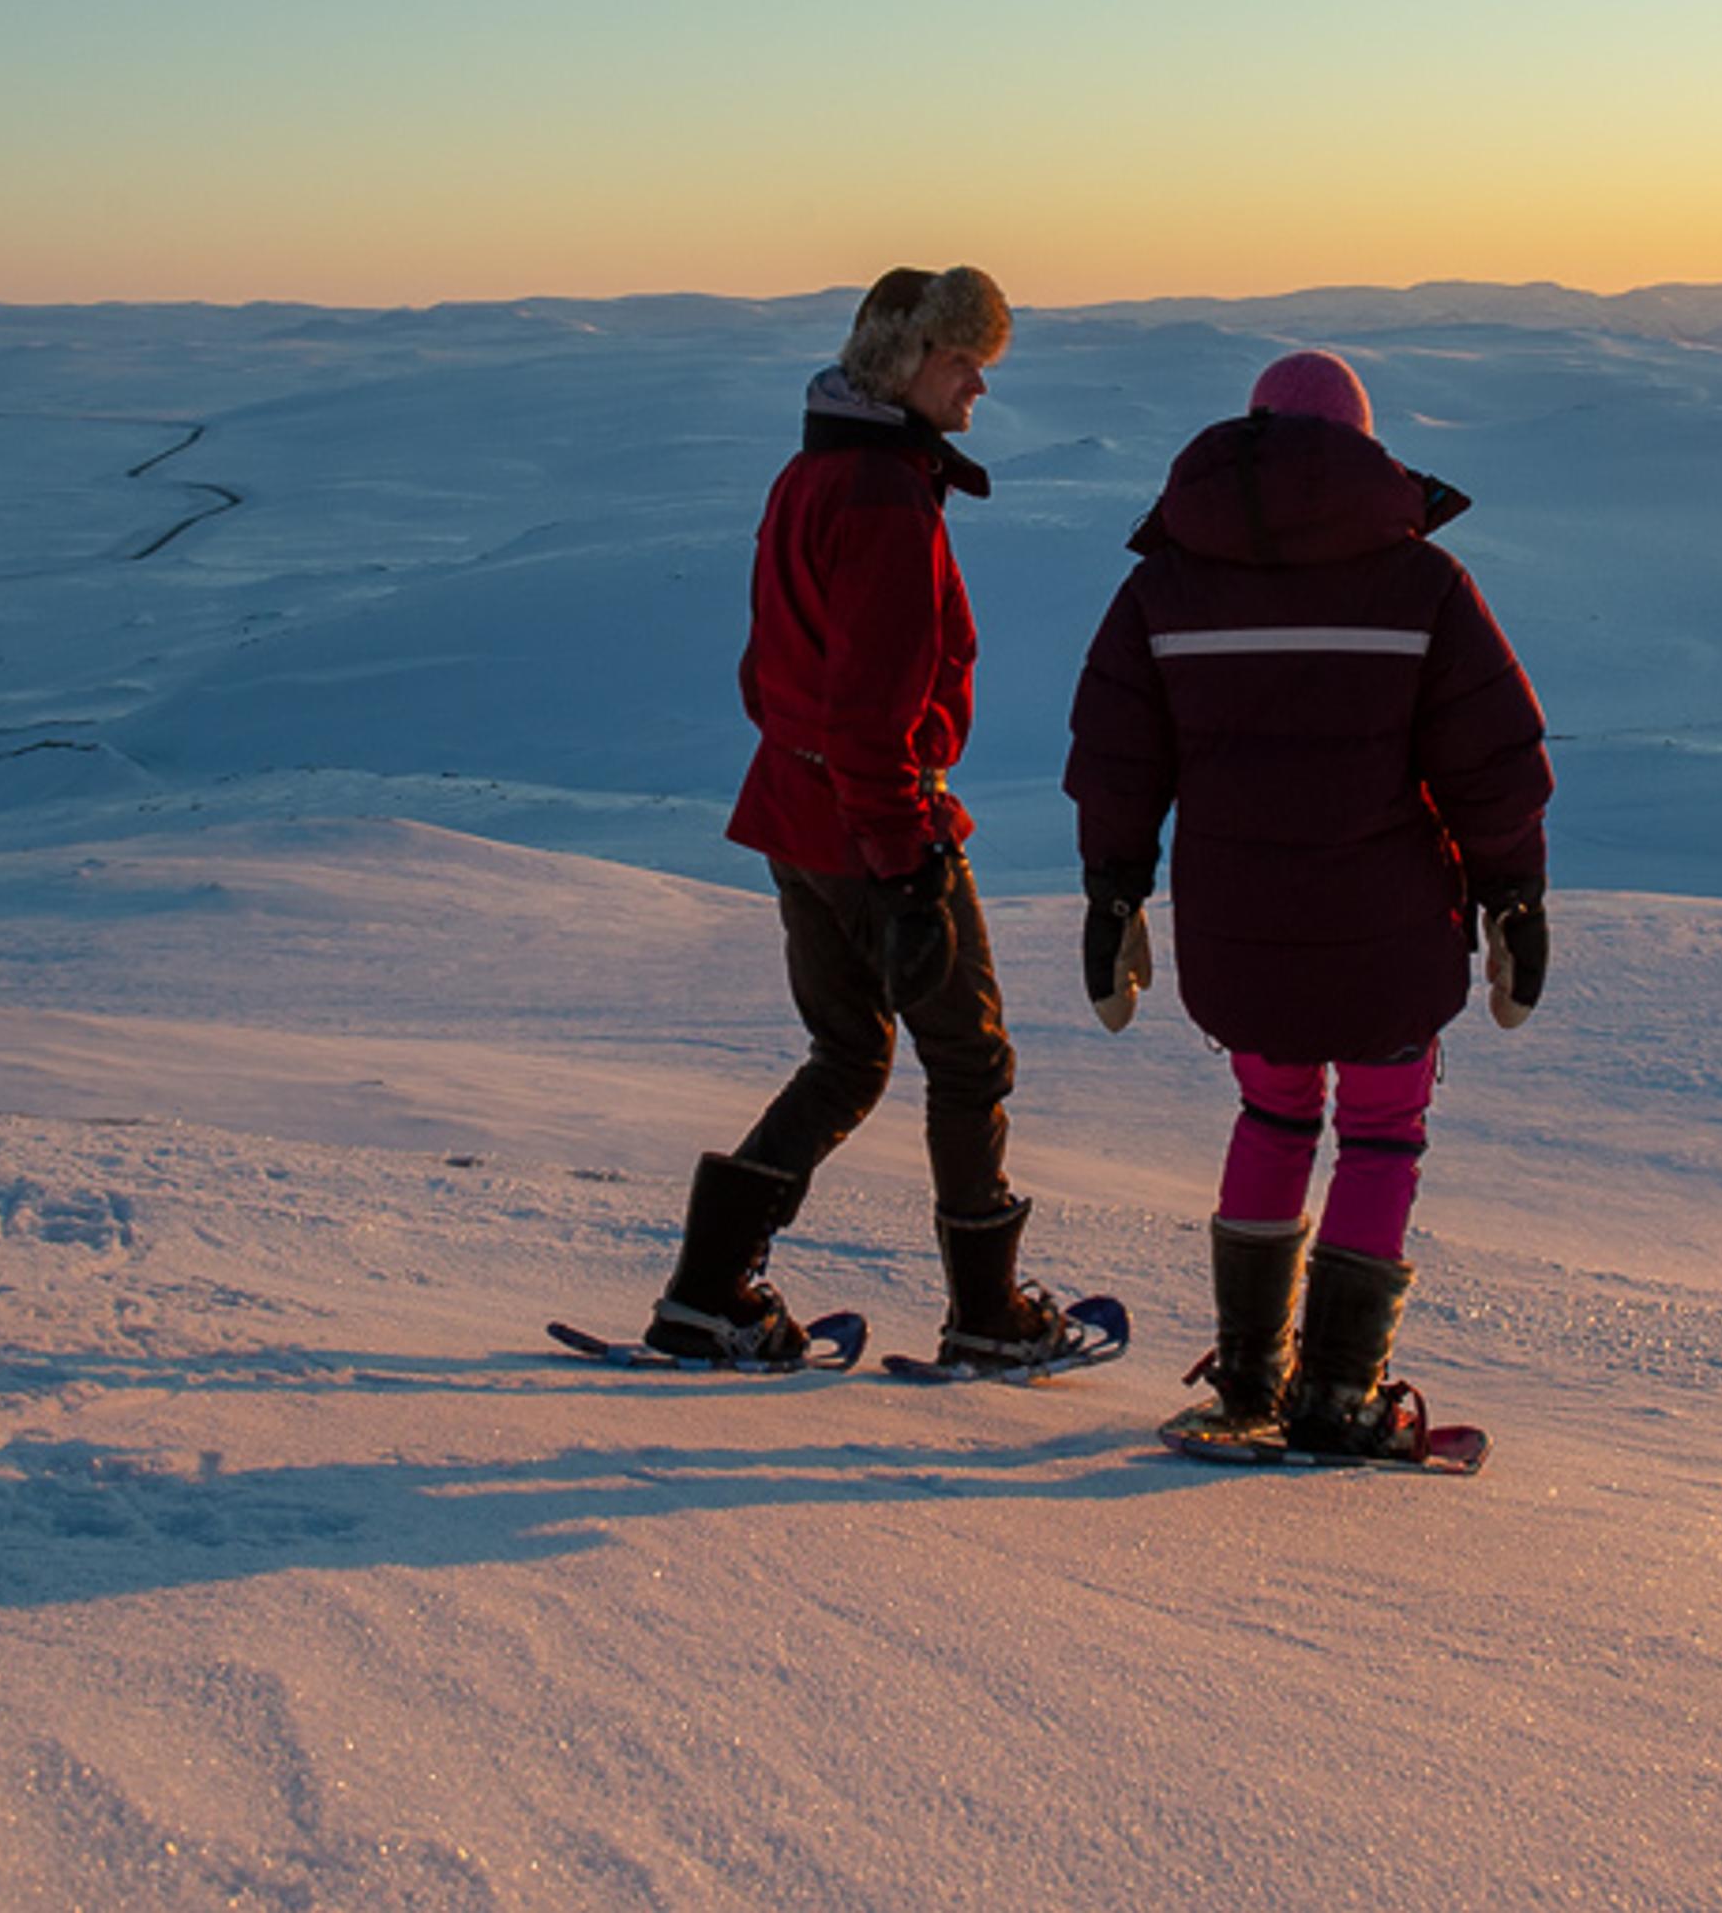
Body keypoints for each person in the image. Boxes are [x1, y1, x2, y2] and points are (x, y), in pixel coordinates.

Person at [1062, 348, 1553, 1456]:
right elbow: (1494, 760)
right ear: (1362, 447)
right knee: (1383, 1134)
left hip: (1243, 933)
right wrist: (1514, 896)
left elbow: (1114, 758)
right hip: (1389, 931)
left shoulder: (1164, 586)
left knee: (1274, 1116)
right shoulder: (1422, 584)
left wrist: (1114, 898)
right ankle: (1338, 1391)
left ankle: (1247, 1384)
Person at [644, 265, 1093, 1369]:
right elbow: (875, 710)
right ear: (909, 367)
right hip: (873, 829)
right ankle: (988, 1316)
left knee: (848, 1055)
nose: (979, 390)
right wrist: (905, 866)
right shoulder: (888, 501)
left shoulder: (810, 474)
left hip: (796, 817)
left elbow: (767, 675)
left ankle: (707, 1292)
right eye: (963, 366)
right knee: (969, 1060)